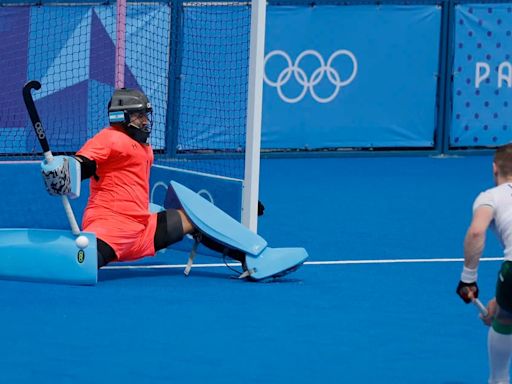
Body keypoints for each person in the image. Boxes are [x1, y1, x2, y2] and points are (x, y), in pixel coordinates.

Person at [41, 88, 246, 269]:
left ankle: (246, 258)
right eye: (139, 115)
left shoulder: (142, 145)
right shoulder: (110, 137)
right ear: (121, 117)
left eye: (145, 114)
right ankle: (48, 260)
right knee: (79, 264)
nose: (145, 120)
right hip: (112, 226)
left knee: (193, 219)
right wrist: (64, 173)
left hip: (143, 228)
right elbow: (85, 163)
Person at [456, 143, 512, 384]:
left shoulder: (489, 197)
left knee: (505, 319)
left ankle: (498, 380)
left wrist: (468, 278)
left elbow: (477, 232)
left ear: (494, 168)